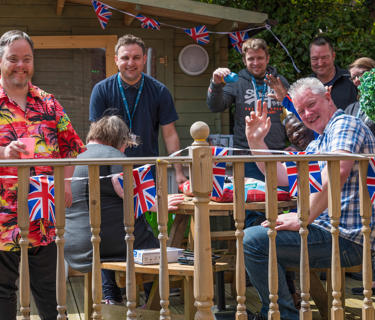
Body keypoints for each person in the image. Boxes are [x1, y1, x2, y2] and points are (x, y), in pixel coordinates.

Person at [244, 77, 375, 320]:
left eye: (311, 104)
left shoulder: (345, 125)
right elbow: (281, 175)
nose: (306, 114)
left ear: (327, 96)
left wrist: (303, 217)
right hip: (330, 232)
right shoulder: (319, 141)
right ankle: (280, 312)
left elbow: (337, 172)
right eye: (301, 110)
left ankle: (280, 316)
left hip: (348, 239)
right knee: (258, 235)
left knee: (254, 241)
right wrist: (256, 141)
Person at [0, 30, 85, 320]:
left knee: (49, 290)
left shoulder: (48, 103)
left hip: (43, 213)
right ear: (1, 60)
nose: (20, 65)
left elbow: (72, 147)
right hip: (2, 218)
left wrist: (68, 184)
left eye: (27, 59)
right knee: (2, 291)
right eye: (13, 59)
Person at [64, 115, 184, 305]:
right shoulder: (113, 155)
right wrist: (157, 204)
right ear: (118, 139)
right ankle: (154, 301)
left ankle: (111, 296)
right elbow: (122, 186)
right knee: (148, 237)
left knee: (107, 220)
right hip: (107, 244)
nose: (125, 149)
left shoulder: (75, 156)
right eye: (125, 144)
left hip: (74, 245)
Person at [207, 38, 289, 229]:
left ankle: (280, 251)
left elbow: (293, 114)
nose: (255, 63)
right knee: (253, 209)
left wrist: (294, 143)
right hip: (247, 156)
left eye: (260, 58)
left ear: (267, 58)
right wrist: (216, 84)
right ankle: (255, 250)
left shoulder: (280, 81)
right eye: (251, 59)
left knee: (282, 204)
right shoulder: (237, 82)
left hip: (277, 154)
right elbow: (215, 105)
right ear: (244, 60)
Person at [89, 34, 186, 184]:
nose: (130, 63)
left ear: (144, 59)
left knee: (149, 208)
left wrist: (179, 173)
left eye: (136, 57)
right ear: (116, 60)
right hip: (110, 172)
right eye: (125, 58)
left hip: (147, 169)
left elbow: (170, 134)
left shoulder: (160, 91)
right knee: (117, 208)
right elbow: (94, 137)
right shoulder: (101, 90)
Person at [309, 36, 357, 110]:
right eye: (315, 59)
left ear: (333, 56)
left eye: (324, 57)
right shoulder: (304, 86)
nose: (320, 63)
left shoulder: (351, 79)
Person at [345, 57, 375, 136]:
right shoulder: (351, 109)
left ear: (372, 72)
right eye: (353, 78)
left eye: (360, 74)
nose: (356, 80)